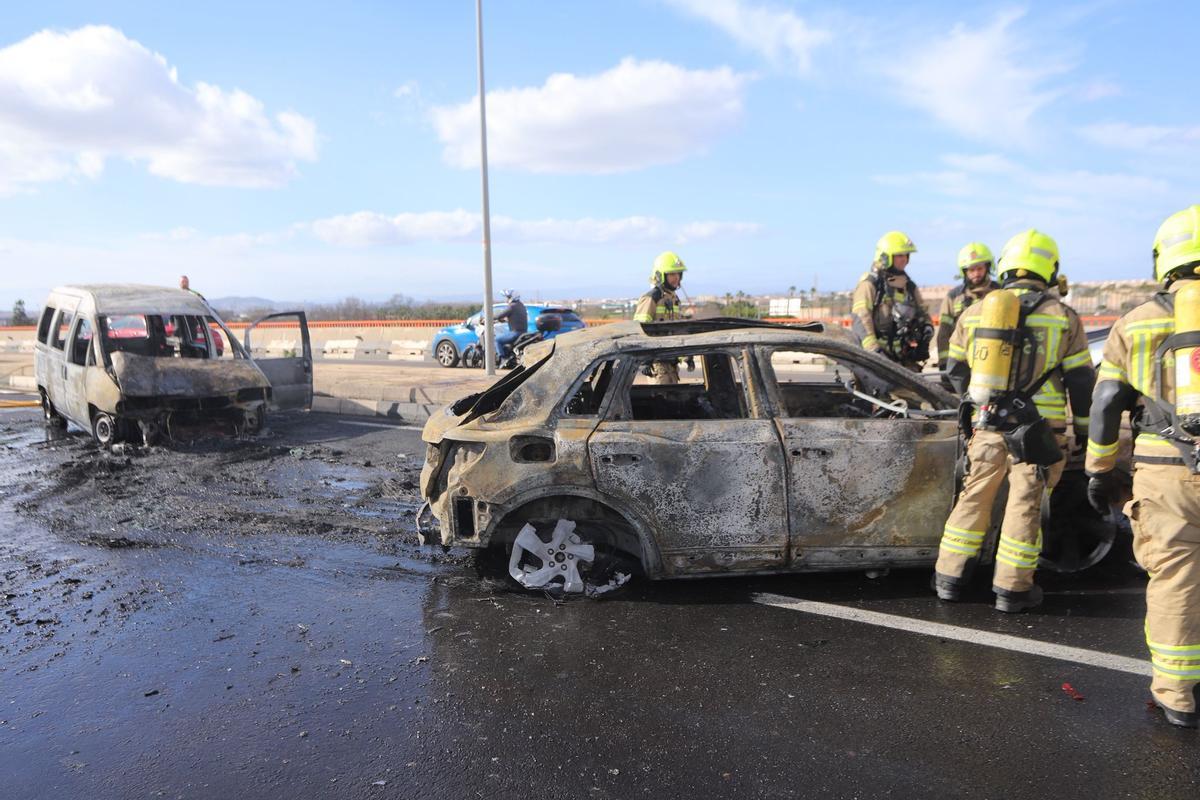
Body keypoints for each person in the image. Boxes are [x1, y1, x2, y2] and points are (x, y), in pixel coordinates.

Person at [933, 229, 1095, 612]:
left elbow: (954, 369)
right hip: (1040, 431)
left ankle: (949, 579)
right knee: (1025, 504)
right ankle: (1012, 589)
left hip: (988, 423)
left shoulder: (975, 312)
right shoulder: (1063, 317)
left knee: (973, 497)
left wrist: (979, 404)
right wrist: (1085, 432)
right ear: (1050, 269)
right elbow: (1081, 380)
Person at [1085, 205, 1200, 728]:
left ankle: (1177, 695)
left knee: (1175, 576)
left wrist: (1099, 470)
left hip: (1163, 466)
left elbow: (1107, 401)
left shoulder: (1135, 322)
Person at [851, 231, 934, 371]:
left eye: (906, 255)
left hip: (904, 360)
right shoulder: (870, 284)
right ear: (885, 257)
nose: (905, 260)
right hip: (876, 362)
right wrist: (874, 352)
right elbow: (861, 318)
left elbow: (923, 314)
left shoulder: (909, 287)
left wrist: (926, 334)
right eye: (900, 255)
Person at [937, 243, 1000, 373]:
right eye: (971, 270)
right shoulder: (953, 297)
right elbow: (944, 333)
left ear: (988, 268)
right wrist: (945, 365)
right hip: (962, 363)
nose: (976, 273)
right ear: (964, 272)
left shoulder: (1000, 293)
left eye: (979, 268)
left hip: (995, 362)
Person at [634, 251, 687, 384]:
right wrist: (645, 361)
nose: (677, 278)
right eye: (672, 274)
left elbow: (678, 330)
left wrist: (686, 356)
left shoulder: (674, 299)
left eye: (678, 274)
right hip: (656, 365)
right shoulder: (651, 298)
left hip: (672, 363)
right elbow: (639, 330)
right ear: (660, 275)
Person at [494, 289, 528, 362]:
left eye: (508, 297)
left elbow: (499, 315)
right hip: (523, 332)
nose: (507, 299)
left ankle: (503, 358)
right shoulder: (521, 305)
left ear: (512, 297)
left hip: (515, 333)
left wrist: (489, 317)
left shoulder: (512, 306)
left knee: (497, 340)